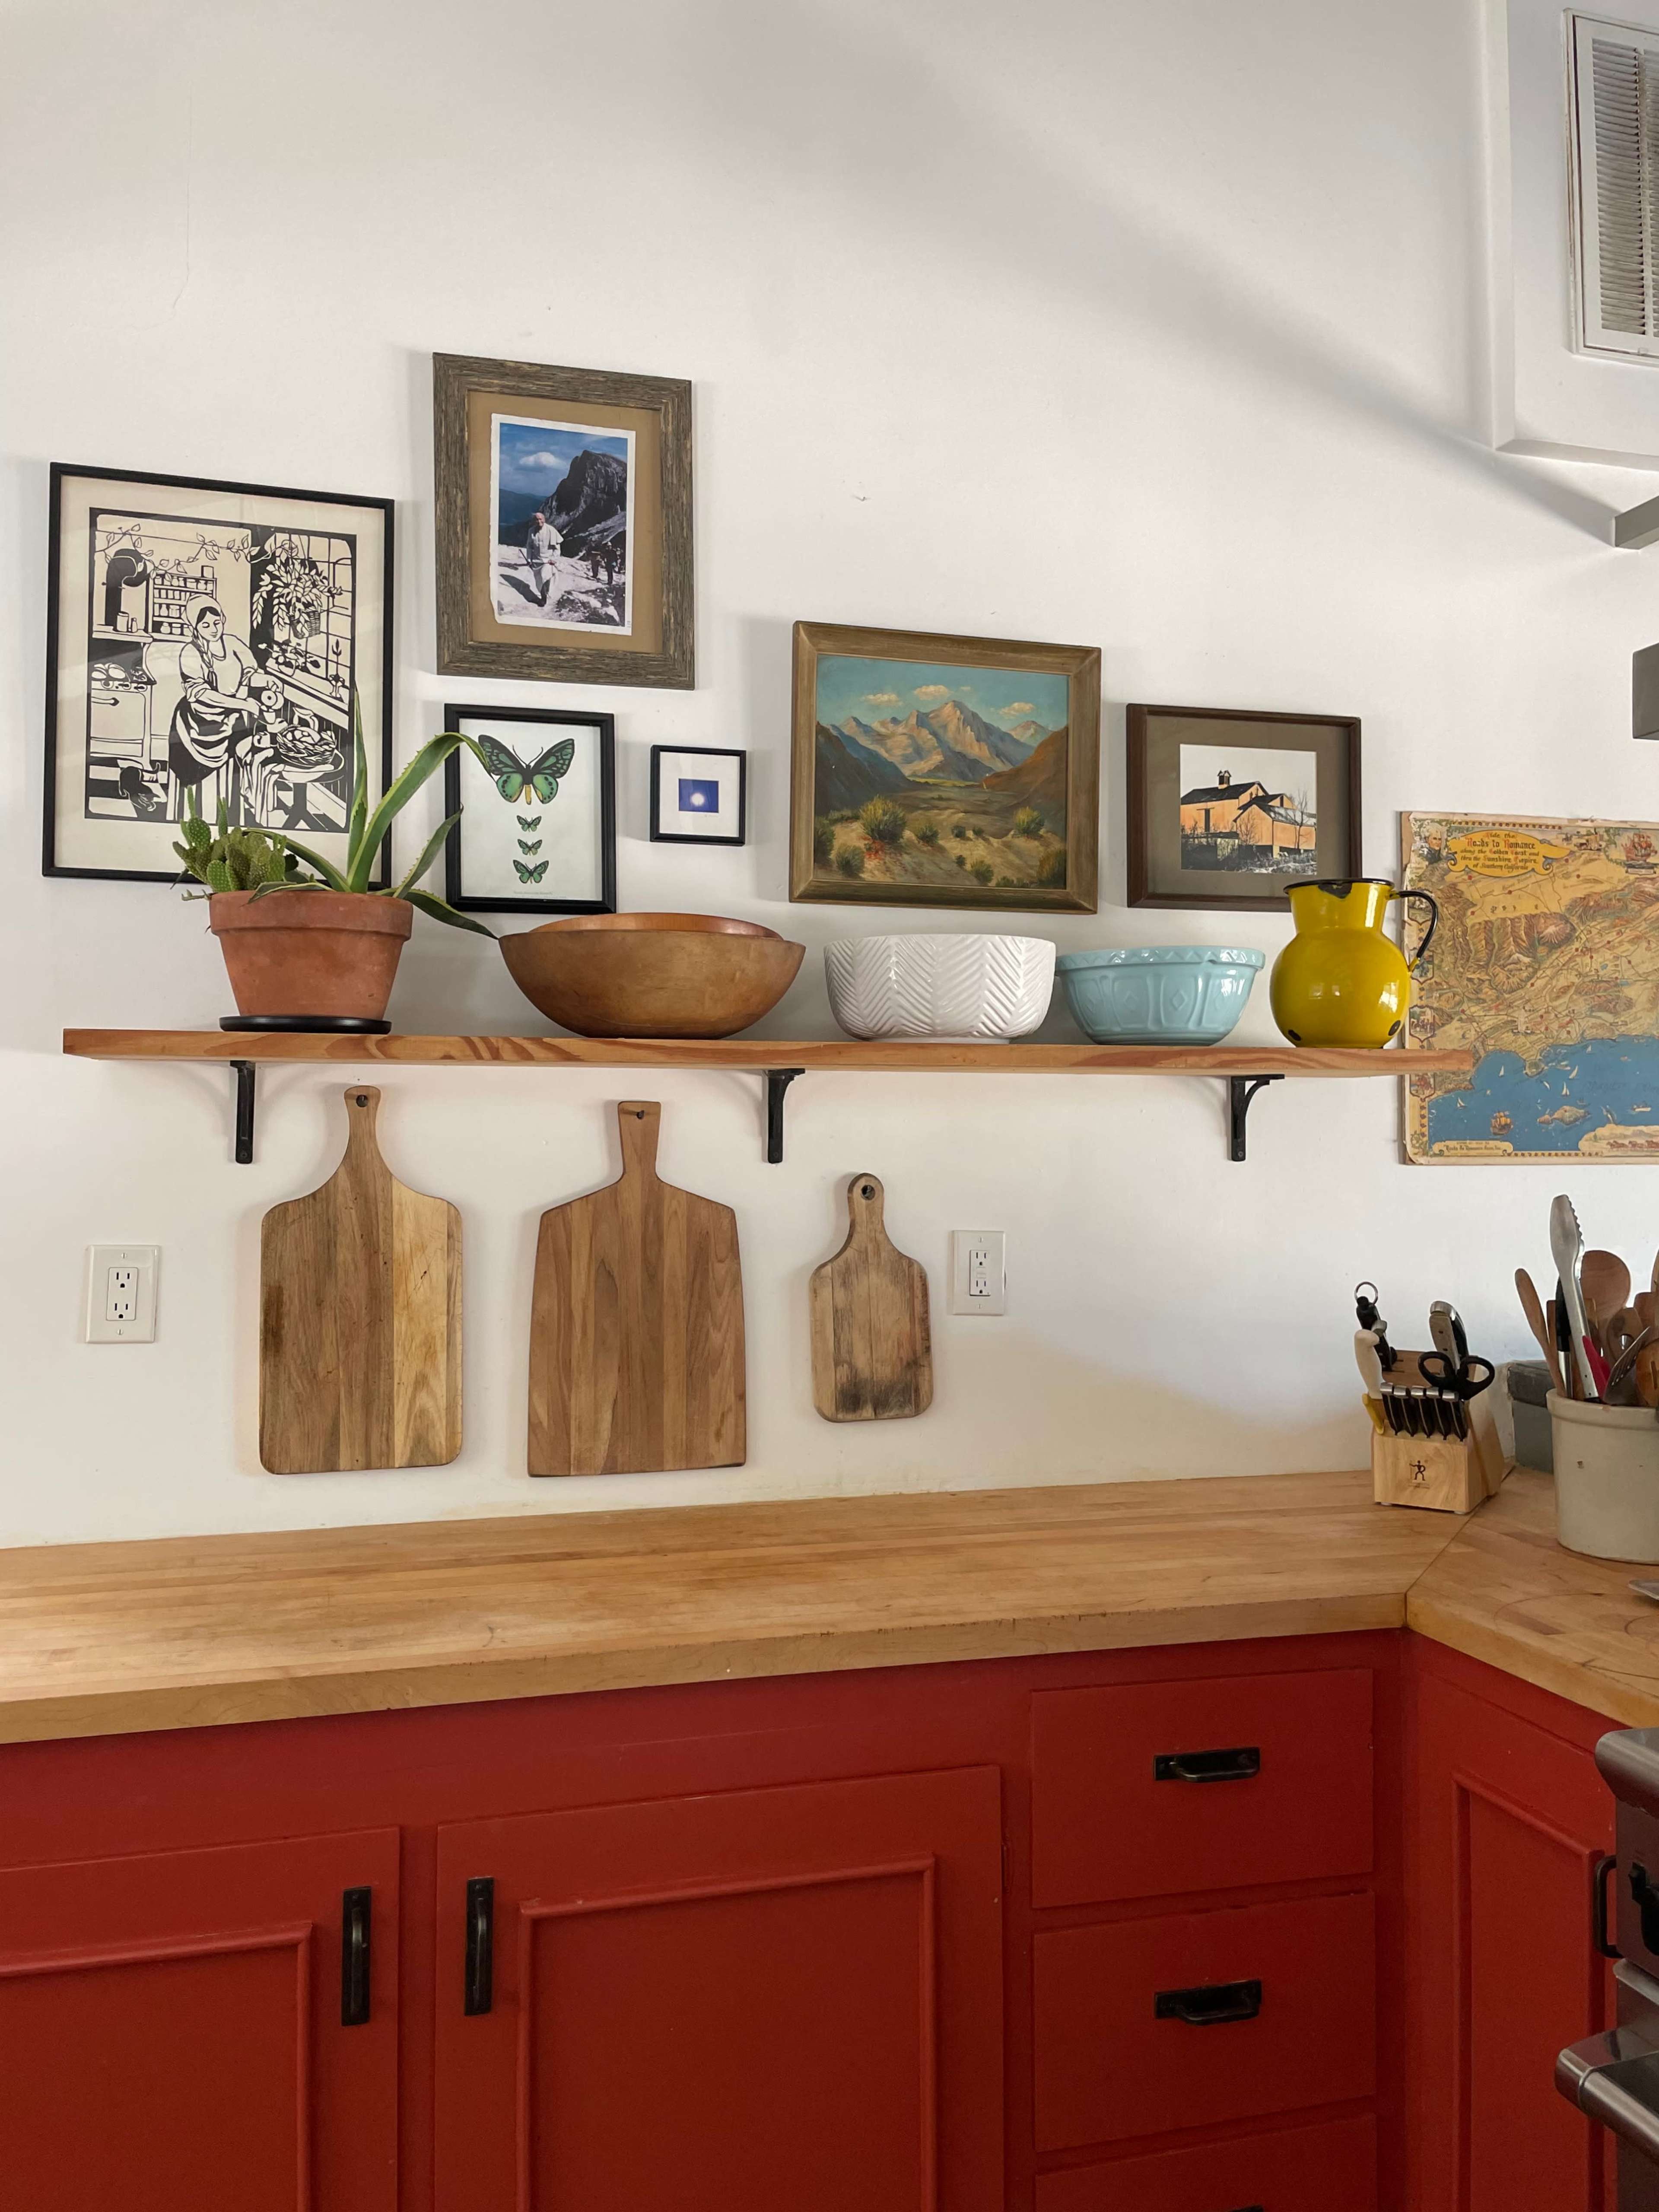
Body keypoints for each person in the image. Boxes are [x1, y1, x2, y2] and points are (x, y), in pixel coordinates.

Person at [167, 600, 273, 817]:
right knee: (194, 784)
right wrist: (243, 704)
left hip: (230, 722)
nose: (214, 630)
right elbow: (202, 693)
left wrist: (268, 680)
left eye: (217, 623)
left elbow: (250, 673)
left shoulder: (233, 644)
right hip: (196, 726)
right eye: (205, 625)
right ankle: (192, 819)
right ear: (194, 627)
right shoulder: (190, 652)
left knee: (231, 775)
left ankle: (226, 819)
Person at [526, 509, 563, 607]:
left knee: (544, 576)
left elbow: (557, 548)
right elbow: (529, 546)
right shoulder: (531, 531)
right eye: (537, 520)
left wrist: (554, 559)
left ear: (544, 519)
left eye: (541, 519)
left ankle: (544, 599)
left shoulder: (551, 530)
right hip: (536, 560)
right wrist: (529, 559)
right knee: (539, 580)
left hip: (548, 561)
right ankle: (545, 593)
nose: (539, 522)